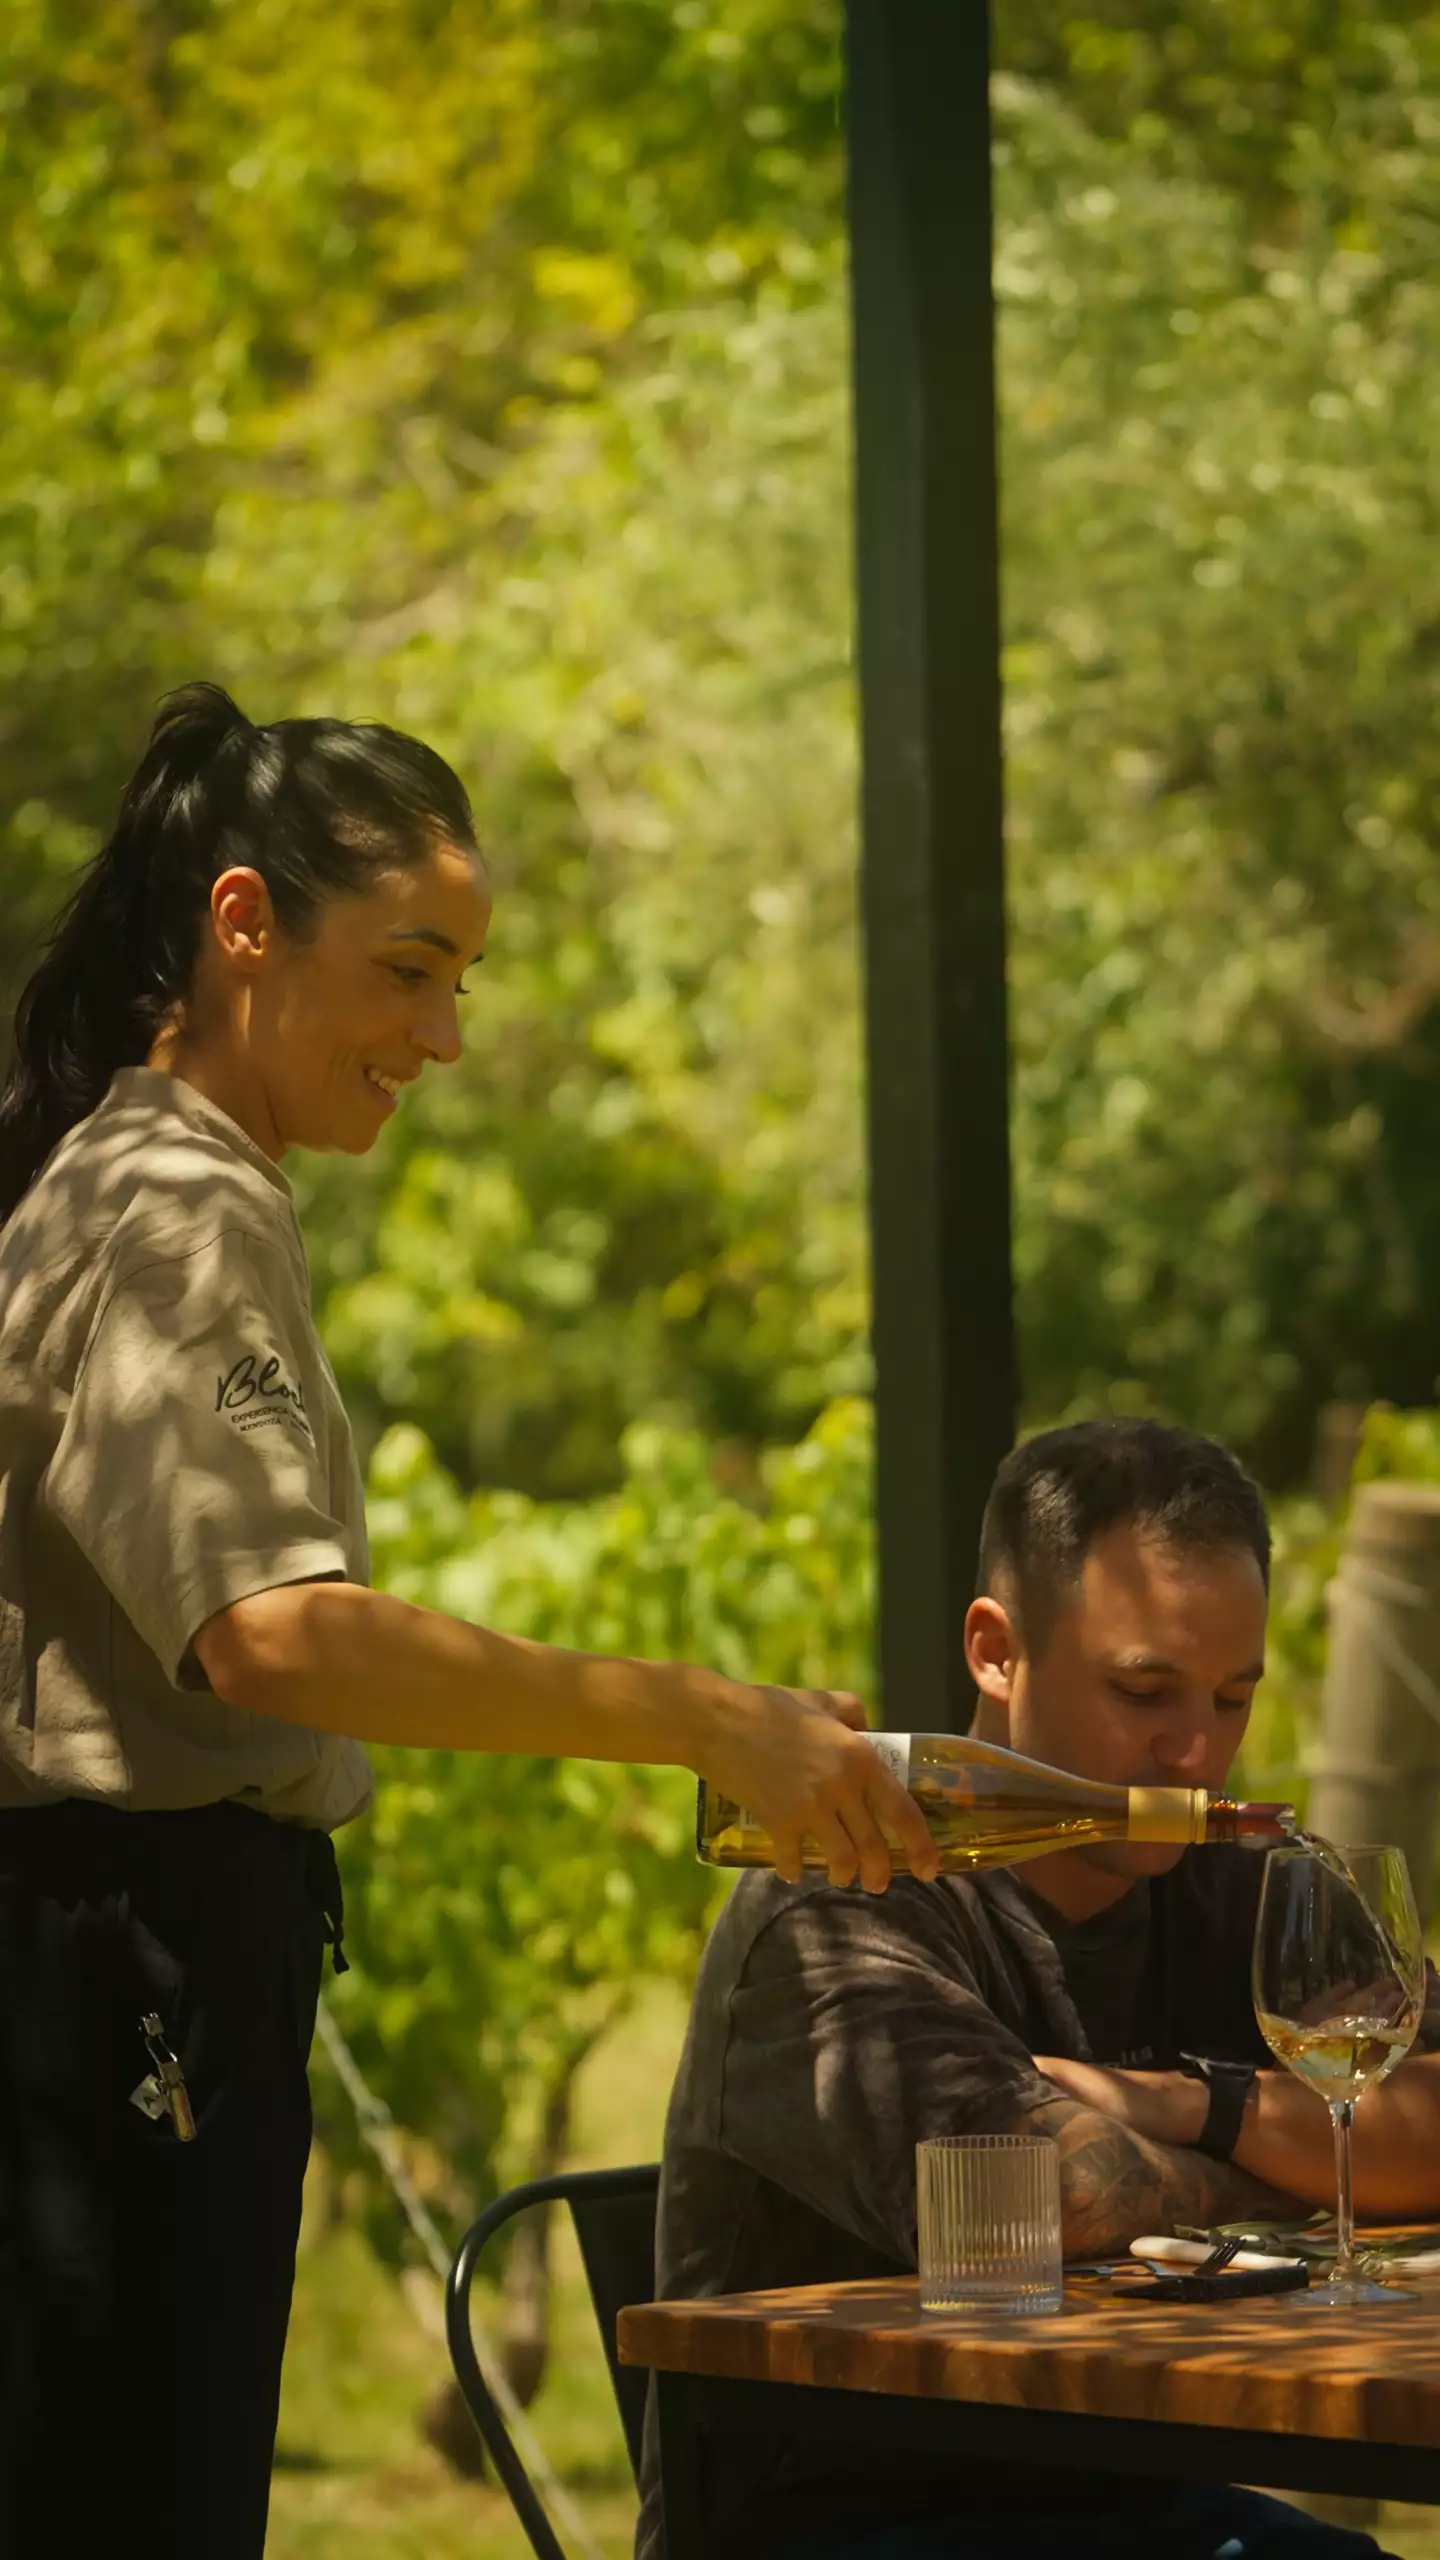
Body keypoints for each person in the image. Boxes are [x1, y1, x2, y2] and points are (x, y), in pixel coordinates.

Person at [0, 683, 936, 2560]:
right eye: (409, 972)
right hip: (127, 1978)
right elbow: (272, 1633)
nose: (442, 1036)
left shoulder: (127, 1171)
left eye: (463, 983)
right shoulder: (179, 1205)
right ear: (243, 921)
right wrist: (704, 1719)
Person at [638, 1419, 1440, 2560]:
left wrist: (1194, 2105)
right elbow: (1041, 2201)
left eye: (1232, 1698)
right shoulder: (844, 1896)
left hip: (1131, 2506)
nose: (1195, 1752)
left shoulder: (1242, 1885)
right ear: (997, 1652)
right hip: (839, 2524)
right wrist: (1323, 2171)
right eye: (1144, 1691)